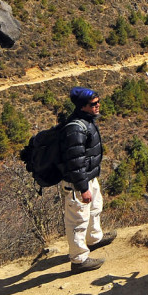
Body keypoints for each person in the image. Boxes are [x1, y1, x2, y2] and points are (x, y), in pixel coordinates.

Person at [60, 86, 116, 272]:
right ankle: (78, 260)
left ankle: (94, 239)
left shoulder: (86, 121)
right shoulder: (76, 128)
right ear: (82, 106)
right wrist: (83, 187)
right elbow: (75, 162)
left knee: (94, 209)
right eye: (93, 104)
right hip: (77, 183)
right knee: (78, 220)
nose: (98, 106)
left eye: (98, 102)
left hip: (89, 177)